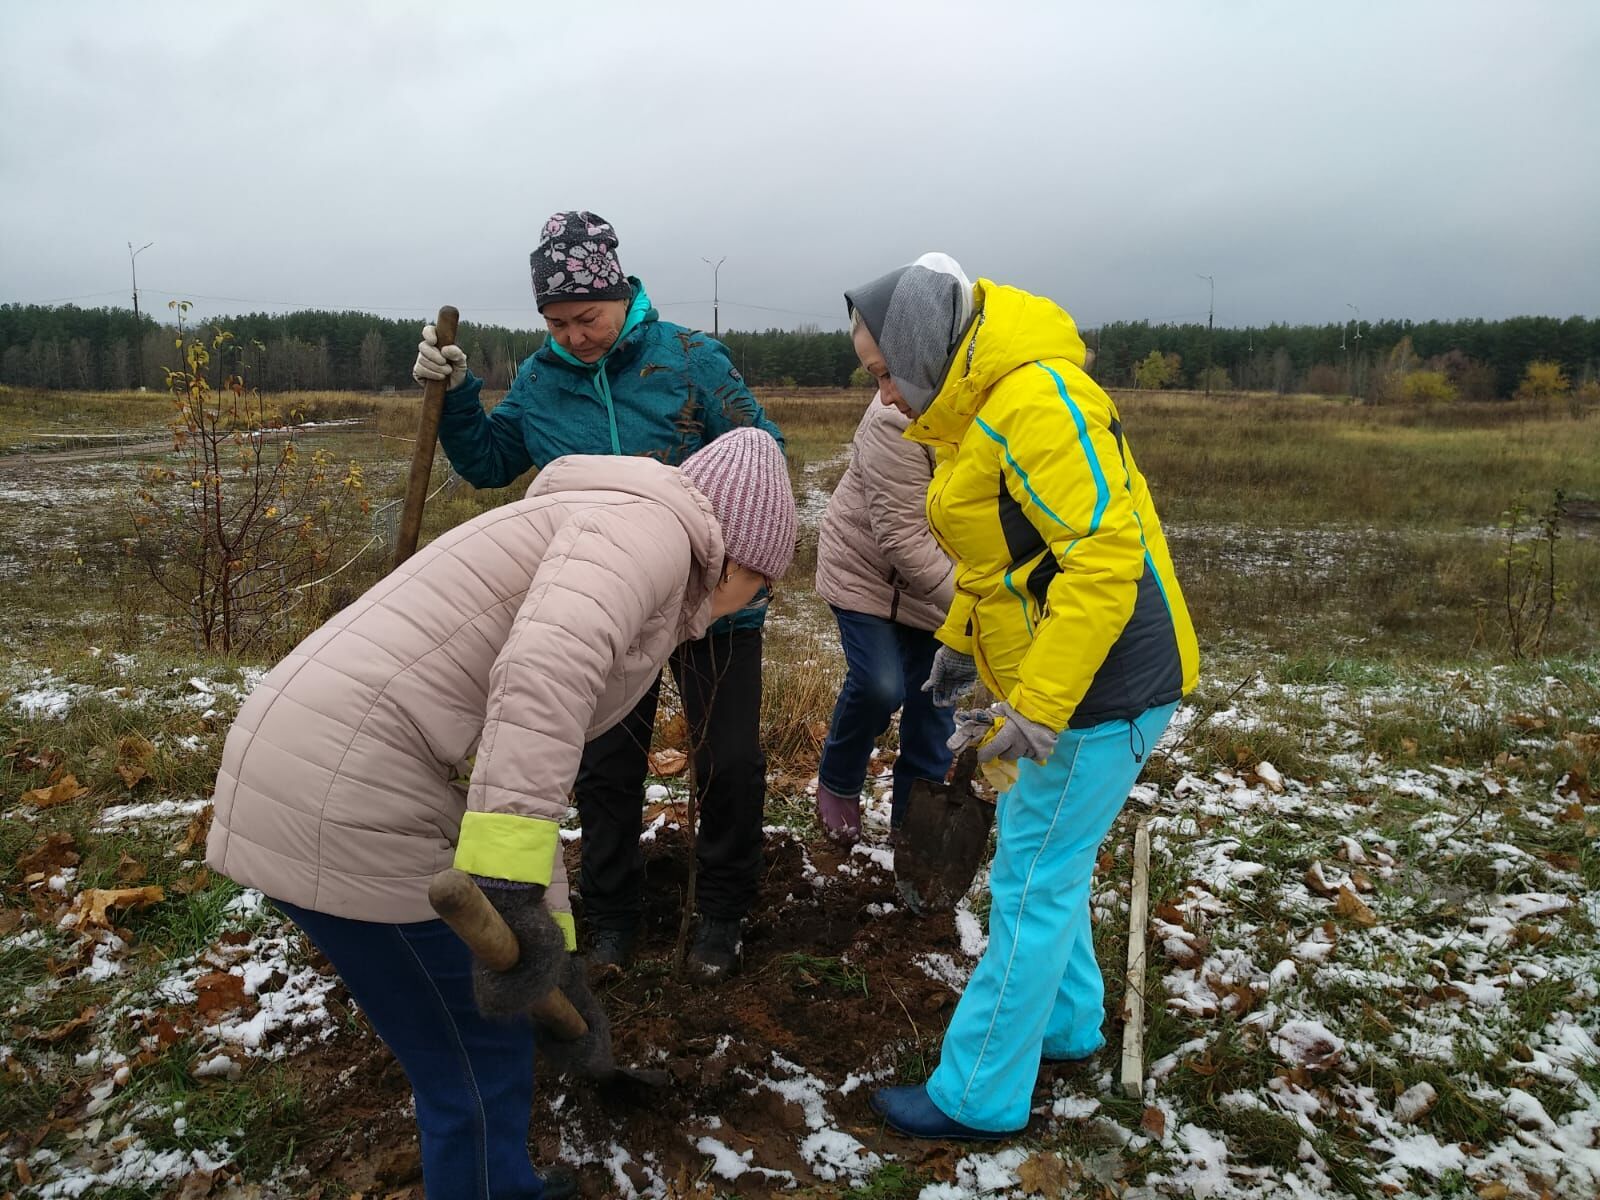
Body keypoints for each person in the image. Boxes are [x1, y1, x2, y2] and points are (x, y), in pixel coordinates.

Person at [206, 430, 797, 1200]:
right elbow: (541, 683)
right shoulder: (648, 537)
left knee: (482, 1044)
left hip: (323, 766)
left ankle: (501, 1185)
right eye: (765, 588)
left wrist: (562, 952)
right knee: (475, 1063)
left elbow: (513, 769)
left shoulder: (606, 526)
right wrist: (510, 888)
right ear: (741, 560)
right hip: (351, 791)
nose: (749, 605)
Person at [843, 254, 1200, 1140]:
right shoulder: (977, 413)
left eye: (886, 374)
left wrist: (1039, 706)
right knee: (1051, 863)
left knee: (1029, 882)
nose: (883, 397)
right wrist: (961, 646)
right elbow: (1005, 563)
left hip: (1101, 687)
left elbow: (1103, 558)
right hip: (1068, 678)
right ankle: (1071, 1024)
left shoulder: (1037, 401)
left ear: (926, 350)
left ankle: (979, 1092)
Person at [412, 211, 786, 981]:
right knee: (605, 768)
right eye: (557, 321)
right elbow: (488, 462)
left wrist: (728, 550)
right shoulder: (540, 381)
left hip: (712, 601)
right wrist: (454, 397)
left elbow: (762, 451)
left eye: (587, 316)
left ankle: (720, 912)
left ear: (621, 293)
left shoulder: (691, 360)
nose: (575, 335)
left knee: (731, 762)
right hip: (597, 606)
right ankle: (612, 916)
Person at [812, 387, 955, 843]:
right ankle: (839, 780)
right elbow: (904, 538)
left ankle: (914, 823)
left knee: (936, 700)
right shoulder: (893, 415)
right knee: (879, 685)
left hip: (943, 581)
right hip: (866, 573)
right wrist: (976, 610)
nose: (886, 385)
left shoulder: (998, 415)